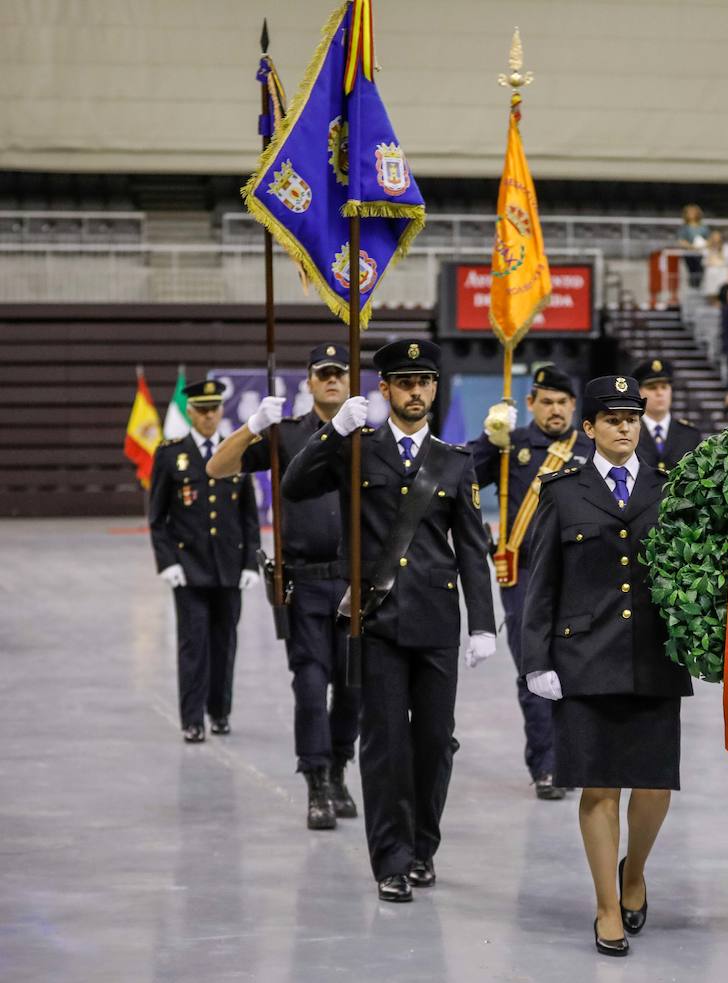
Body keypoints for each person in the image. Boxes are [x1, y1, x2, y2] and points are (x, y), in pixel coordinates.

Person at [282, 340, 497, 903]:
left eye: (424, 382)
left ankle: (424, 845)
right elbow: (293, 487)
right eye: (404, 383)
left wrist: (483, 623)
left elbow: (473, 549)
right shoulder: (356, 450)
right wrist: (331, 433)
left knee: (433, 744)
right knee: (383, 748)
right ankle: (391, 862)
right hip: (375, 621)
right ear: (385, 390)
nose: (416, 392)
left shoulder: (454, 460)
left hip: (435, 622)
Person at [521, 375, 692, 957]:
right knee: (599, 788)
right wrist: (536, 659)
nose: (625, 426)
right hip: (586, 658)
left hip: (655, 656)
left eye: (633, 416)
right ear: (588, 427)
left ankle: (635, 868)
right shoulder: (562, 490)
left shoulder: (669, 488)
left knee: (655, 785)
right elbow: (541, 579)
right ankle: (606, 905)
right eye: (612, 418)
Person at [206, 344, 360, 829]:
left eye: (340, 373)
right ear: (309, 383)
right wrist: (252, 427)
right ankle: (315, 779)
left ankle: (338, 767)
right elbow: (217, 467)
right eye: (323, 373)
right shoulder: (288, 435)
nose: (332, 380)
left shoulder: (368, 439)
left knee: (354, 688)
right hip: (306, 586)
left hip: (356, 584)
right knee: (312, 687)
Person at [470, 365, 593, 801]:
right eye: (547, 401)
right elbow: (462, 477)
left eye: (563, 402)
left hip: (579, 577)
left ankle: (575, 756)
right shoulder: (511, 447)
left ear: (574, 406)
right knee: (533, 668)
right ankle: (545, 764)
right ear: (530, 404)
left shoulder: (589, 449)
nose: (555, 410)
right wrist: (490, 441)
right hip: (522, 575)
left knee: (577, 669)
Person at [148, 379, 261, 743]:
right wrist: (168, 562)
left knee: (225, 643)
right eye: (203, 410)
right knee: (193, 645)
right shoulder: (170, 454)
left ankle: (220, 712)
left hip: (229, 567)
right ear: (191, 412)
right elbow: (157, 516)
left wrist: (250, 563)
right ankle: (192, 718)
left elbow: (248, 516)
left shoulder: (235, 453)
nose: (210, 416)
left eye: (215, 409)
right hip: (190, 567)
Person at [632, 358, 703, 471]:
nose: (660, 393)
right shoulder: (630, 432)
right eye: (652, 388)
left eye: (664, 387)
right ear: (639, 392)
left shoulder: (690, 434)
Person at [675, 204, 709, 288]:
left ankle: (698, 286)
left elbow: (709, 239)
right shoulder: (684, 227)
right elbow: (681, 240)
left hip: (701, 253)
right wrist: (691, 247)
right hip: (689, 253)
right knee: (692, 272)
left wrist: (702, 246)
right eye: (689, 212)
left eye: (693, 212)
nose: (691, 214)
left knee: (700, 271)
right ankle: (692, 287)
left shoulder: (703, 227)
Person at [699, 229, 728, 300]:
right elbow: (704, 261)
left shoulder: (726, 247)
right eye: (714, 237)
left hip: (722, 272)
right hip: (711, 273)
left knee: (721, 291)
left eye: (717, 237)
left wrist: (716, 261)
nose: (716, 239)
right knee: (711, 291)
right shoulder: (707, 248)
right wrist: (713, 261)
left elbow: (727, 261)